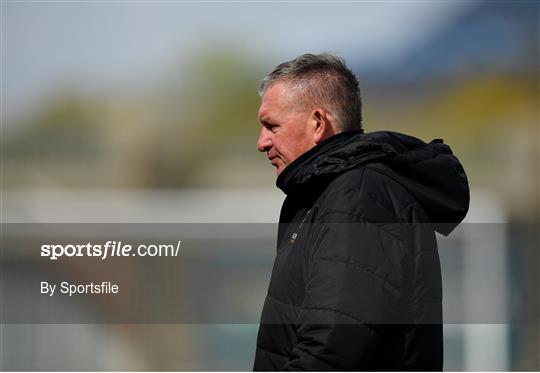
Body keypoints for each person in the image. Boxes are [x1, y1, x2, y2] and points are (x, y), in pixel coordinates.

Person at [253, 53, 469, 371]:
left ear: (317, 123)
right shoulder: (325, 194)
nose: (262, 142)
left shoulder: (359, 198)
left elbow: (331, 352)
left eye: (272, 126)